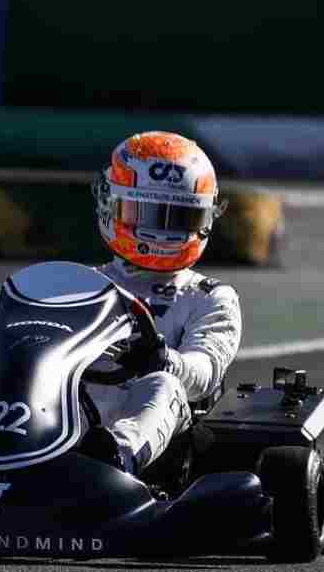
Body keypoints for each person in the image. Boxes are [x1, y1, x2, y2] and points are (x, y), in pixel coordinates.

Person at [81, 131, 242, 476]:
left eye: (179, 218)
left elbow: (203, 374)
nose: (164, 230)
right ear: (112, 204)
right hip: (69, 418)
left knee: (164, 384)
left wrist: (163, 359)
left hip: (163, 449)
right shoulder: (78, 284)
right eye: (148, 213)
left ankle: (113, 461)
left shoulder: (209, 297)